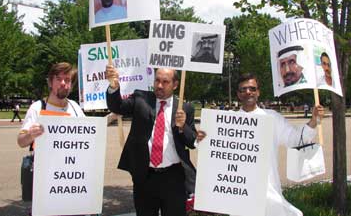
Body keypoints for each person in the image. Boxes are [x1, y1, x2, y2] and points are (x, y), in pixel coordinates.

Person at [196, 73, 322, 216]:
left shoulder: (272, 118)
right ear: (238, 94)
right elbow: (211, 151)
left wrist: (313, 121)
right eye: (243, 89)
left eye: (252, 88)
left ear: (258, 92)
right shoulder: (228, 120)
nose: (248, 92)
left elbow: (295, 139)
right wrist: (202, 139)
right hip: (238, 194)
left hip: (268, 193)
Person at [105, 65, 197, 216]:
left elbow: (192, 142)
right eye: (157, 80)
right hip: (144, 177)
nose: (159, 85)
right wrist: (113, 86)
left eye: (165, 82)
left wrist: (183, 127)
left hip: (174, 178)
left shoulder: (185, 108)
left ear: (175, 84)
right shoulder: (141, 98)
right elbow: (118, 106)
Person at [17, 62, 84, 148]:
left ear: (71, 85)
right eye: (59, 79)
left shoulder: (75, 107)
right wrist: (30, 135)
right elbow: (21, 141)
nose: (63, 83)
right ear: (50, 82)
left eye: (67, 80)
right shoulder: (37, 107)